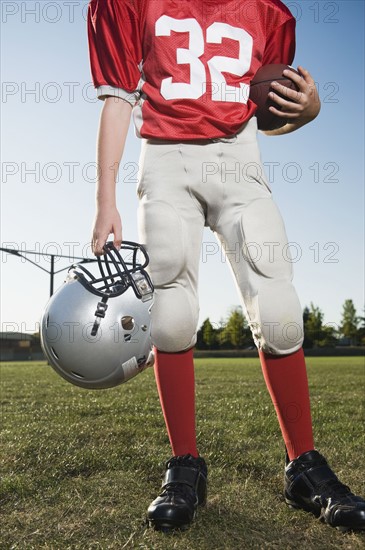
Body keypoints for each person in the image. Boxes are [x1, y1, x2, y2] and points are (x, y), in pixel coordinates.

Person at [87, 0, 365, 533]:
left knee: (279, 305)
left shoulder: (270, 12)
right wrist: (105, 198)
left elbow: (270, 107)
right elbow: (119, 99)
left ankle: (304, 466)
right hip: (166, 159)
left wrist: (308, 113)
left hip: (239, 158)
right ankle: (185, 464)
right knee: (170, 311)